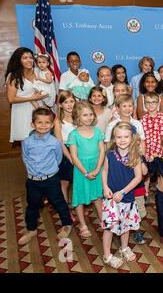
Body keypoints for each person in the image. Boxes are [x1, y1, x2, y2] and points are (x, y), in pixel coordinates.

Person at [18, 108, 73, 245]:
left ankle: (67, 224)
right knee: (32, 206)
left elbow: (58, 159)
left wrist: (48, 170)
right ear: (33, 124)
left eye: (47, 122)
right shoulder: (27, 142)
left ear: (52, 124)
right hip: (33, 181)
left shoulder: (55, 142)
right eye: (39, 122)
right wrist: (33, 172)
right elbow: (25, 158)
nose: (43, 125)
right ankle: (31, 229)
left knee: (59, 202)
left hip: (51, 180)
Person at [101, 121, 146, 269]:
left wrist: (123, 191)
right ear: (114, 139)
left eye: (126, 136)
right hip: (111, 198)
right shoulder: (110, 155)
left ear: (132, 138)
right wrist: (105, 186)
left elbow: (138, 177)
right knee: (109, 228)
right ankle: (107, 255)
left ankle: (124, 247)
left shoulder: (135, 156)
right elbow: (105, 171)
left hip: (126, 198)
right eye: (118, 137)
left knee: (125, 225)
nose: (122, 140)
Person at [104, 93, 146, 244]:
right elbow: (107, 145)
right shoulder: (112, 125)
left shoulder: (137, 124)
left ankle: (136, 229)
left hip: (134, 163)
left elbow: (142, 143)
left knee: (137, 200)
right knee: (117, 204)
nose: (128, 108)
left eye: (130, 105)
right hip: (117, 167)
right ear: (117, 108)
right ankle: (116, 228)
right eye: (124, 106)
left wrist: (143, 162)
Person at [67, 101, 104, 239]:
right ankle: (83, 225)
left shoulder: (98, 131)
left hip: (96, 167)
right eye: (84, 115)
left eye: (90, 114)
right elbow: (74, 157)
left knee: (98, 195)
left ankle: (102, 219)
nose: (88, 117)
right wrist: (86, 172)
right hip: (81, 169)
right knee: (80, 196)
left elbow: (102, 151)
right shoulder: (74, 135)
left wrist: (97, 168)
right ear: (77, 116)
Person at [6, 47, 48, 143]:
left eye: (30, 57)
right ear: (18, 60)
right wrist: (32, 98)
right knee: (28, 143)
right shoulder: (14, 75)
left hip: (39, 110)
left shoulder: (38, 71)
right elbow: (11, 98)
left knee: (43, 142)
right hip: (22, 112)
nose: (29, 60)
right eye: (25, 58)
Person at [141, 92, 163, 192]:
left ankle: (161, 190)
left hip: (160, 152)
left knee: (161, 173)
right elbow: (140, 138)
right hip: (147, 152)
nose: (151, 105)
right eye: (148, 102)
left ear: (158, 103)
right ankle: (145, 192)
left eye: (153, 102)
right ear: (145, 105)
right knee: (146, 174)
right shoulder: (142, 119)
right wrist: (144, 153)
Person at [53, 90, 76, 217]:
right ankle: (66, 211)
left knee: (77, 181)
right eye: (66, 102)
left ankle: (78, 205)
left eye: (72, 101)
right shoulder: (58, 121)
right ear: (60, 105)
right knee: (65, 182)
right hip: (65, 151)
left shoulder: (78, 117)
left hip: (79, 150)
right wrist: (70, 157)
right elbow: (60, 142)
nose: (69, 105)